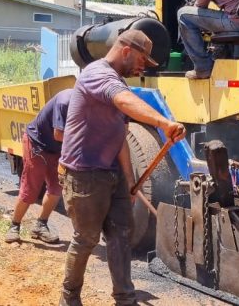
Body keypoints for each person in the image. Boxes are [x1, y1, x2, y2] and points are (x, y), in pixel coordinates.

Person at [58, 29, 186, 306]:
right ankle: (69, 297)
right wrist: (164, 123)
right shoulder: (97, 74)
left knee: (120, 235)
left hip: (111, 173)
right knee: (87, 238)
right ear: (126, 50)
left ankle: (125, 298)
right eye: (142, 59)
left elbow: (120, 138)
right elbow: (123, 100)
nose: (143, 67)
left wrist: (129, 180)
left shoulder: (118, 82)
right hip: (83, 173)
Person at [4, 88, 74, 244]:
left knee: (56, 188)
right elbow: (59, 134)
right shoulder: (65, 101)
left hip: (57, 149)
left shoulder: (88, 105)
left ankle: (40, 226)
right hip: (37, 144)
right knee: (31, 188)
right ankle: (14, 226)